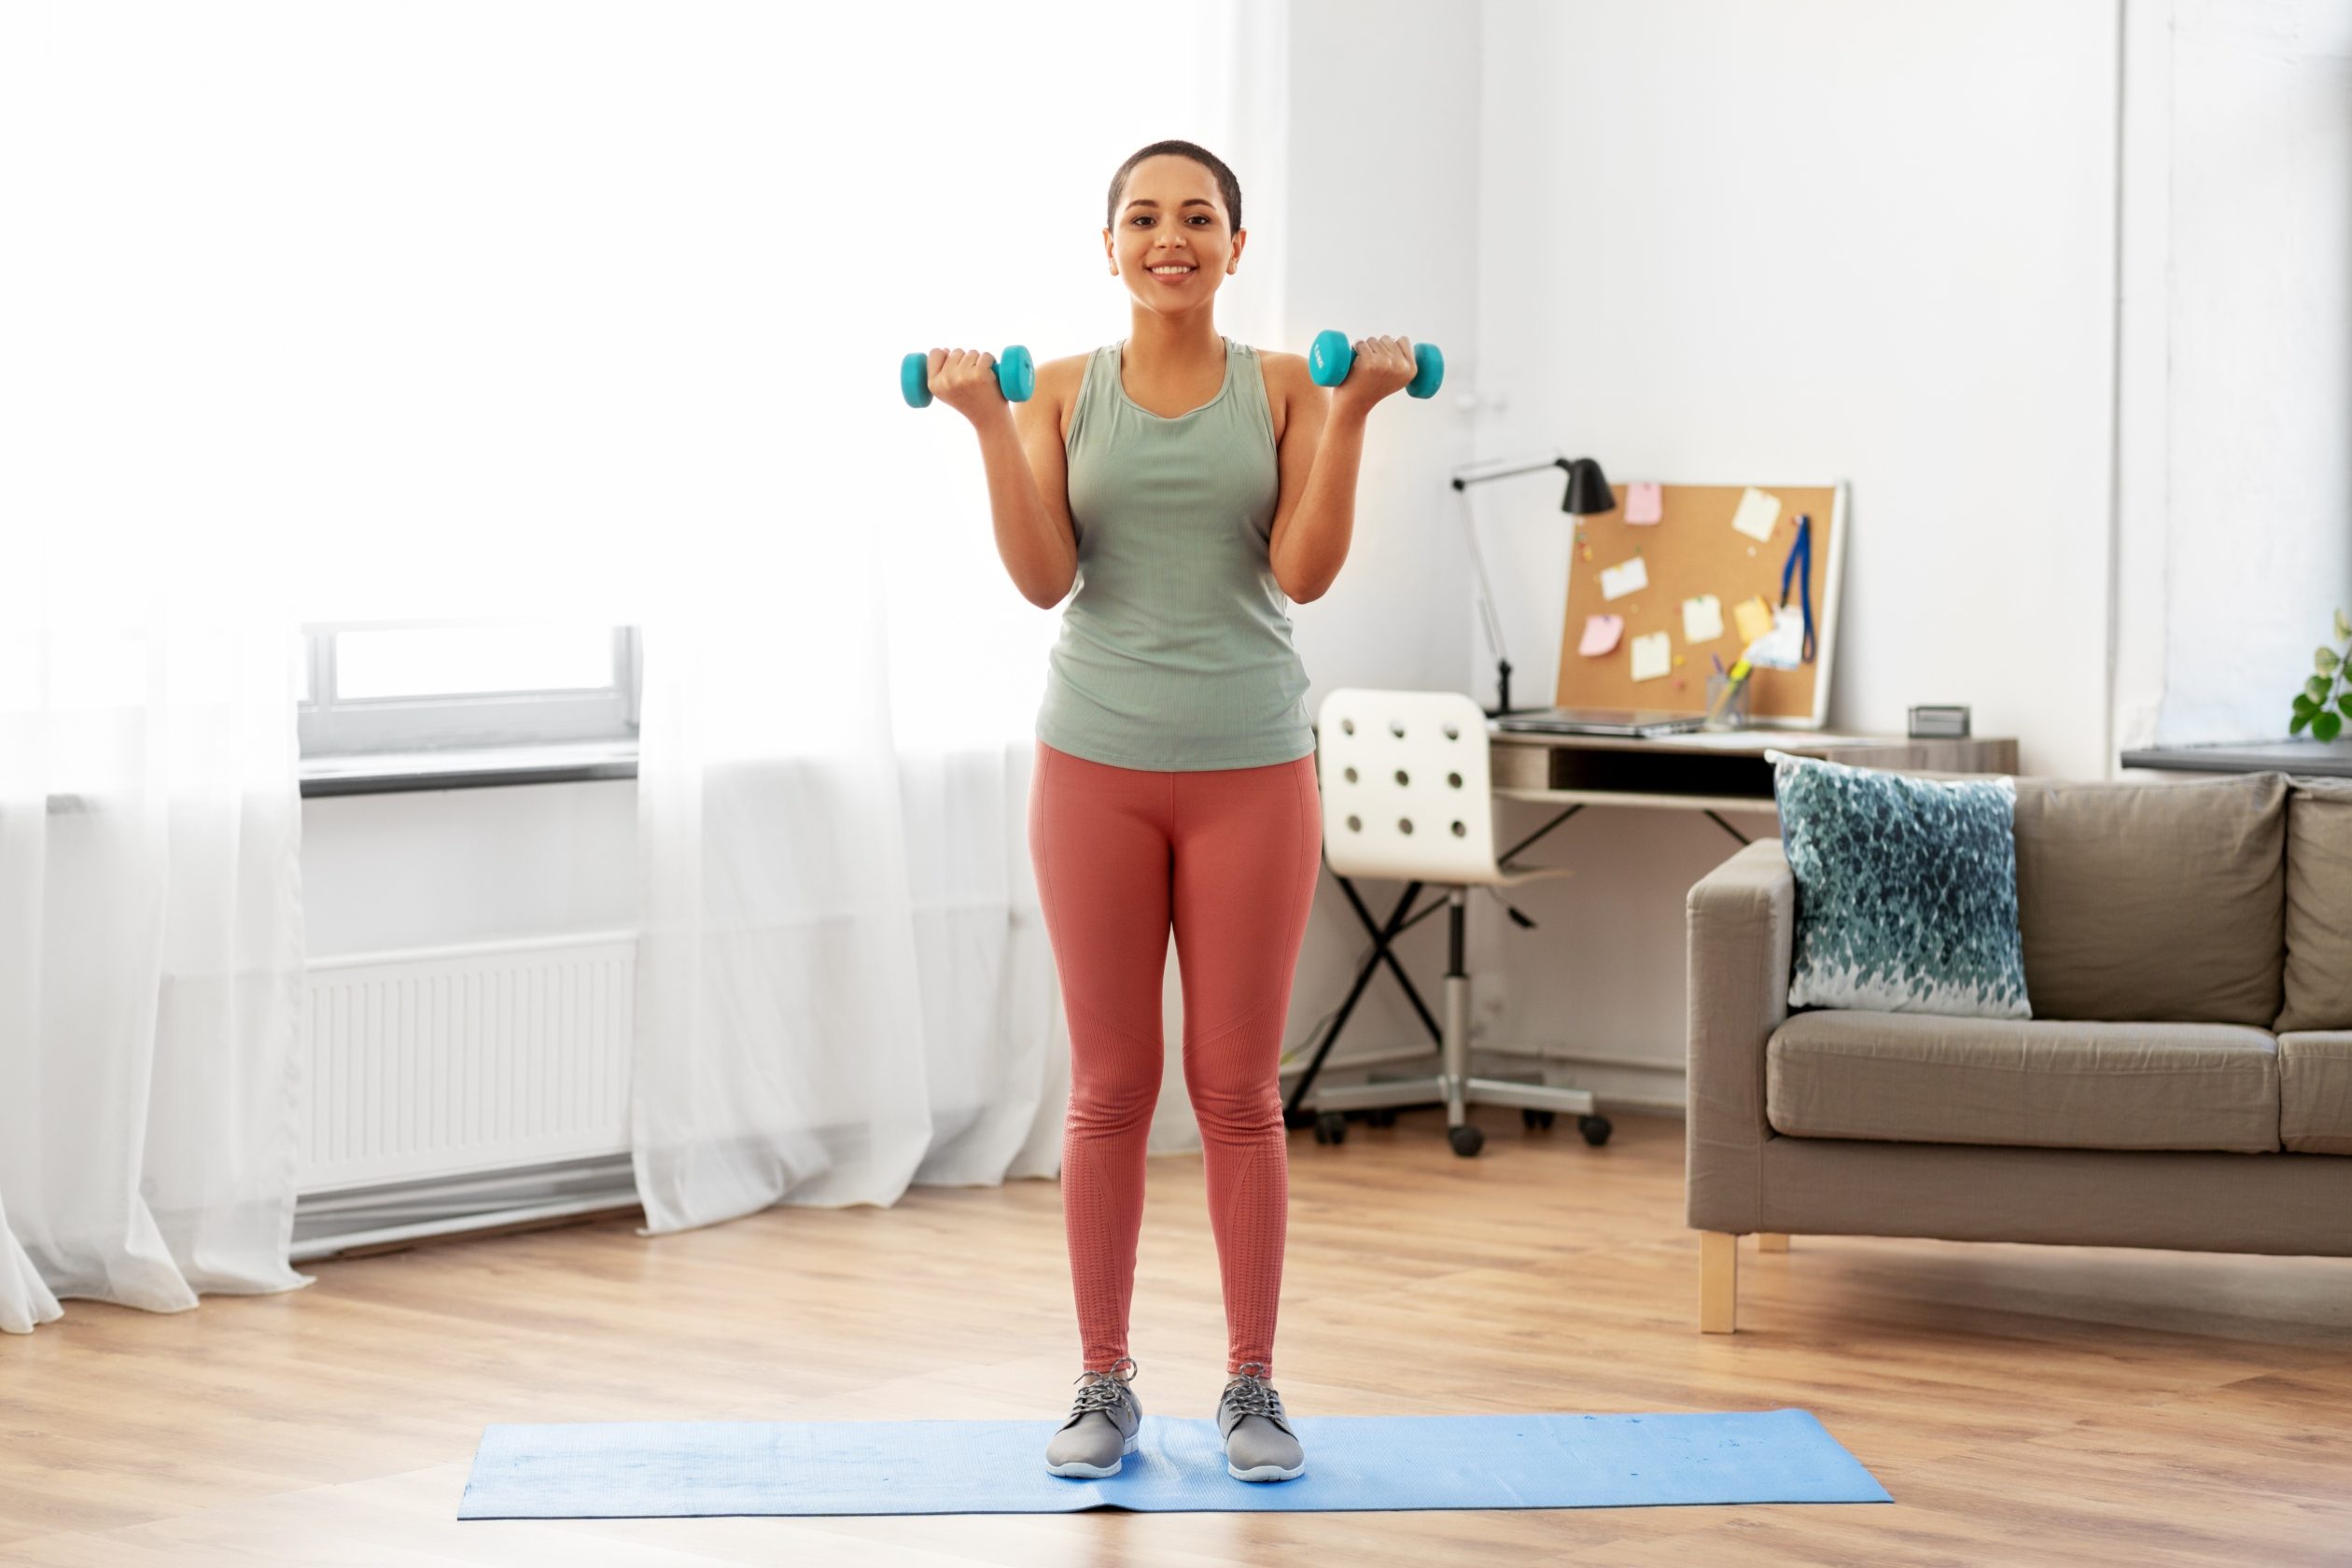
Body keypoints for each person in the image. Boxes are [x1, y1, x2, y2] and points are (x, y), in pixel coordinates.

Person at [920, 138, 1417, 1484]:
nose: (1170, 236)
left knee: (1239, 1091)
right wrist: (982, 424)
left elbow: (1305, 572)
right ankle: (1103, 1382)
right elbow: (1042, 579)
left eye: (1198, 216)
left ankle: (1252, 1389)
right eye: (1142, 216)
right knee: (1110, 1090)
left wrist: (1358, 410)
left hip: (1256, 770)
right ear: (1111, 247)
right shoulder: (1064, 394)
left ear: (1237, 249)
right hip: (1095, 768)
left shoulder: (1284, 391)